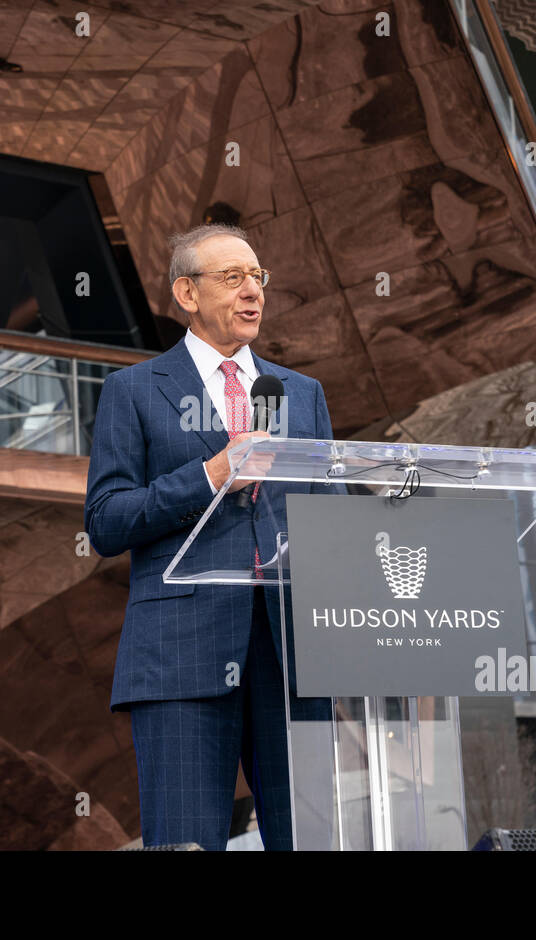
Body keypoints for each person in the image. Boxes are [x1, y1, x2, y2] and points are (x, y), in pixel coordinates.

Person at [84, 223, 343, 851]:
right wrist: (212, 473)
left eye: (258, 277)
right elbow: (107, 521)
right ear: (187, 293)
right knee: (186, 842)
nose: (252, 290)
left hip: (291, 660)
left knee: (309, 841)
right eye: (233, 277)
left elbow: (331, 521)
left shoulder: (299, 394)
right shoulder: (135, 390)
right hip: (181, 658)